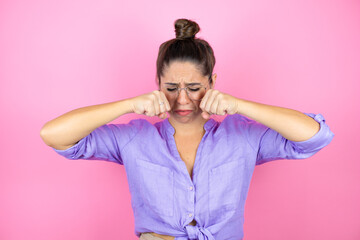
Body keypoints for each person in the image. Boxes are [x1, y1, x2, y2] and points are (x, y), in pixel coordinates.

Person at [40, 18, 335, 240]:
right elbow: (54, 135)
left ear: (212, 83)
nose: (182, 100)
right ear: (157, 84)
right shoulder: (135, 137)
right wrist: (127, 104)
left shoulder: (243, 136)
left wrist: (241, 105)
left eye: (194, 88)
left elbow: (314, 136)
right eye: (171, 88)